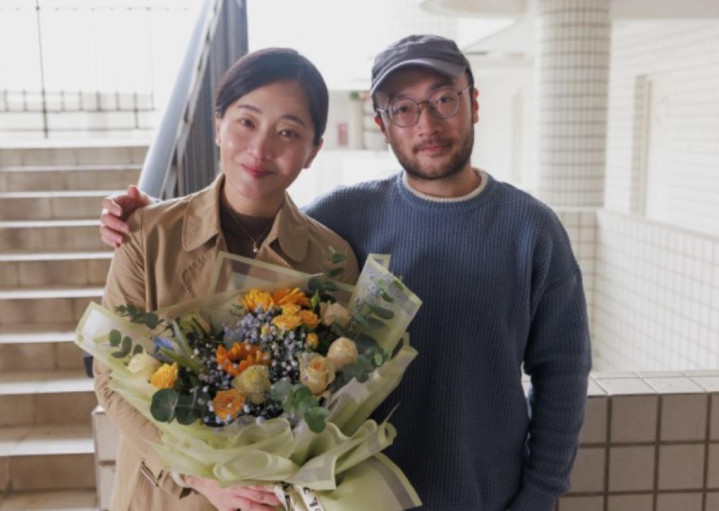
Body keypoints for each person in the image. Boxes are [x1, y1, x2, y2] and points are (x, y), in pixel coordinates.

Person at [99, 35, 592, 511]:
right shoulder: (346, 219)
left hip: (485, 497)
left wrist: (539, 495)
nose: (426, 124)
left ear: (474, 103)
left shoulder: (530, 230)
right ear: (383, 124)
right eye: (403, 108)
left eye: (444, 99)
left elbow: (564, 371)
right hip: (358, 500)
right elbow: (239, 223)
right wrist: (148, 220)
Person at [95, 47, 359, 511]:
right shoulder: (147, 236)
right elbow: (112, 380)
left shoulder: (332, 260)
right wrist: (199, 476)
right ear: (217, 125)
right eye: (246, 121)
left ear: (313, 151)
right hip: (163, 496)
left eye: (288, 132)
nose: (261, 148)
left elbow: (342, 397)